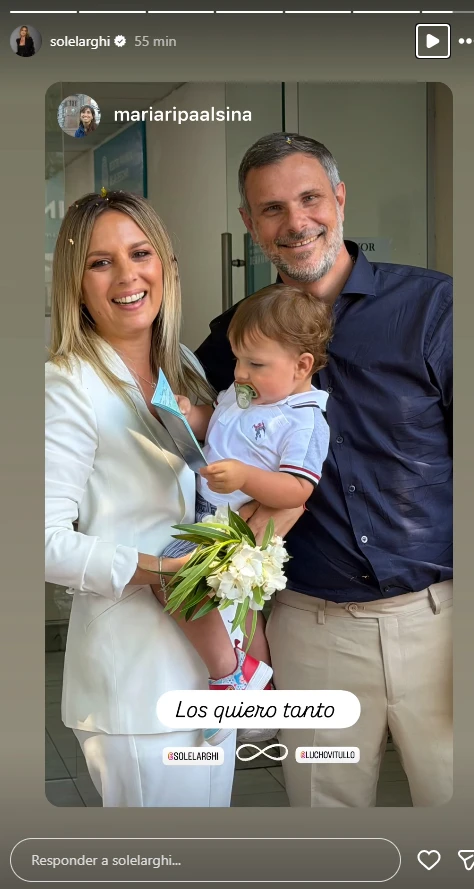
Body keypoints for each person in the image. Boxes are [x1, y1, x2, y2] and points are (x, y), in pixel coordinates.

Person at [195, 132, 453, 808]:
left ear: (338, 198)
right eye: (271, 209)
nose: (295, 222)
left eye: (309, 198)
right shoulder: (229, 343)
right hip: (311, 630)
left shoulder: (435, 309)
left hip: (439, 618)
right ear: (249, 225)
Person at [45, 189, 239, 807]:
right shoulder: (63, 383)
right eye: (101, 262)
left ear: (166, 266)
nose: (127, 276)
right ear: (76, 284)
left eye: (140, 253)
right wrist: (164, 572)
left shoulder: (180, 365)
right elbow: (40, 543)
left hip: (210, 674)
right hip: (134, 679)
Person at [157, 284, 332, 744]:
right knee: (246, 613)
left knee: (170, 579)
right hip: (208, 512)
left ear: (302, 366)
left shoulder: (303, 420)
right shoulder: (244, 393)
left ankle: (229, 674)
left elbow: (298, 488)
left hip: (231, 528)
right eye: (237, 360)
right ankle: (257, 679)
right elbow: (215, 427)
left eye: (255, 364)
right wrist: (189, 414)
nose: (239, 373)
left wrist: (244, 478)